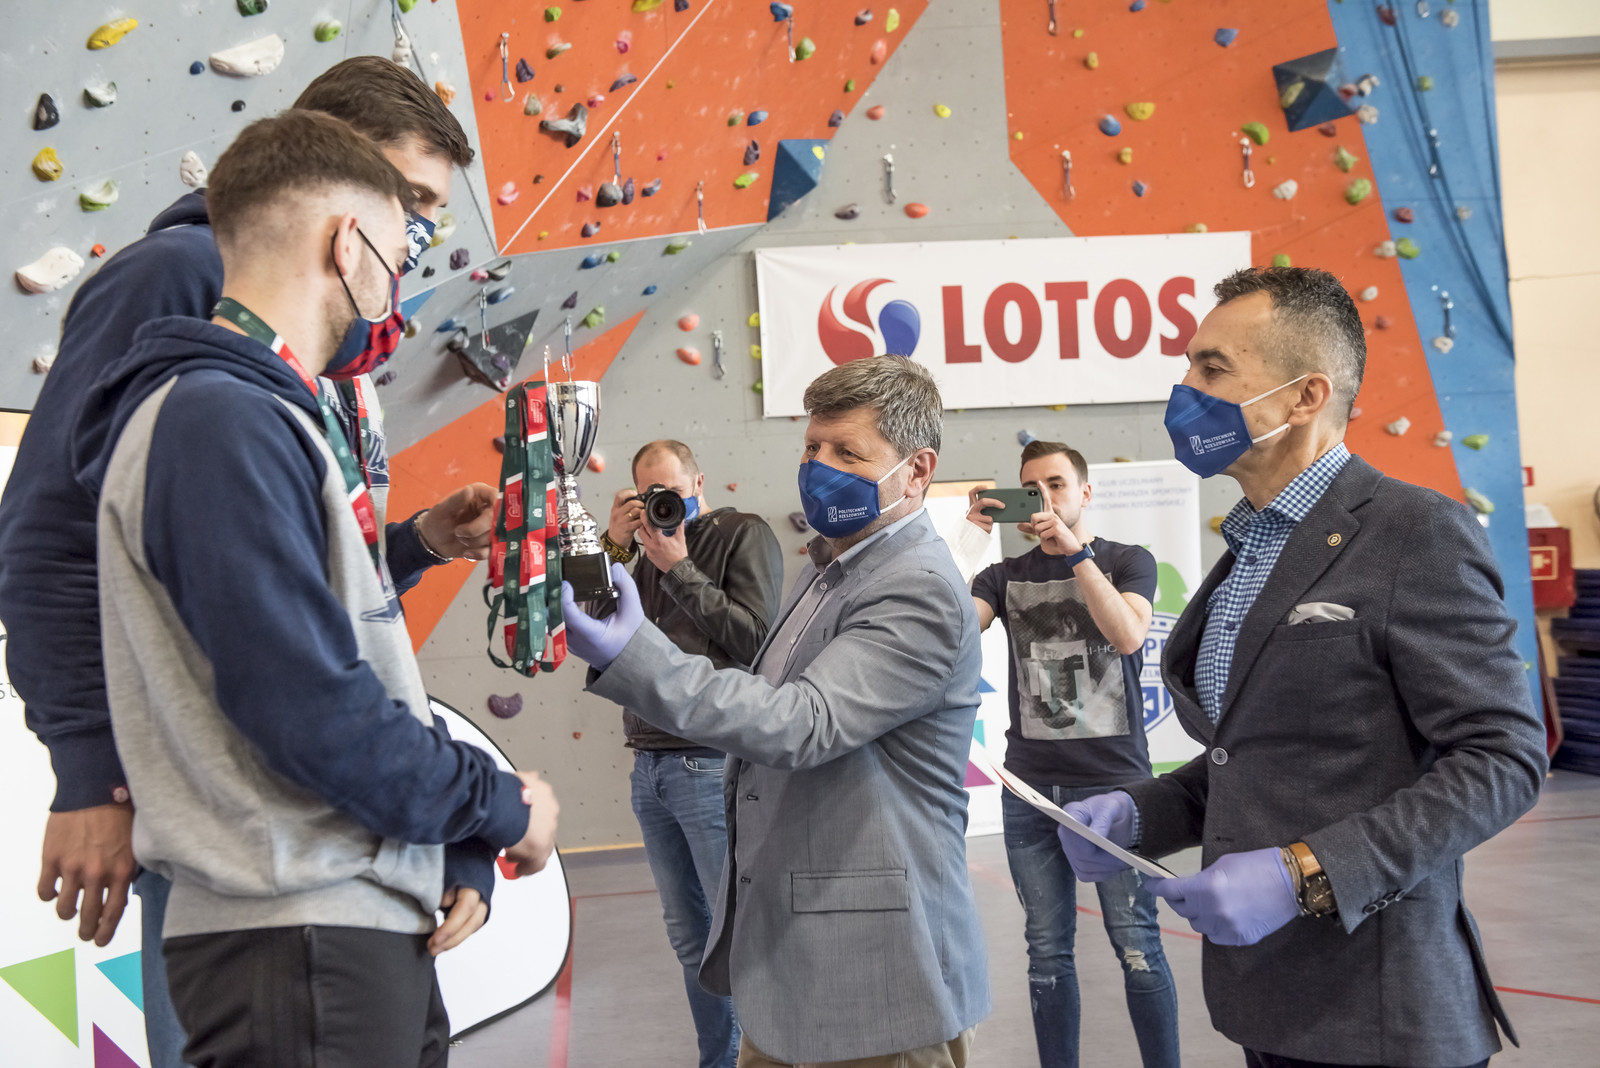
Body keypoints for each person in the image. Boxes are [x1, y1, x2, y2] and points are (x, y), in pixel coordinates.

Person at [0, 56, 492, 1068]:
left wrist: (413, 546)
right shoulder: (183, 278)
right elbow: (52, 528)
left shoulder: (324, 339)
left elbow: (279, 576)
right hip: (236, 819)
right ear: (332, 177)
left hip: (331, 819)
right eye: (409, 201)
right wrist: (88, 769)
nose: (416, 236)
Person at [1057, 266, 1548, 1068]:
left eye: (1213, 368)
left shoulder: (1413, 533)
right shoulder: (1250, 549)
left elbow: (1504, 759)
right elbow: (1255, 756)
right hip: (1268, 1003)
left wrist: (1307, 873)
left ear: (1305, 396)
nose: (1185, 389)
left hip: (1380, 1009)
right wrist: (1142, 814)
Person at [563, 356, 990, 1068]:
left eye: (848, 452)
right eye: (812, 447)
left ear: (917, 471)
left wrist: (634, 654)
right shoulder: (831, 568)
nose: (819, 468)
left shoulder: (916, 587)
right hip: (794, 973)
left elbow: (800, 722)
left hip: (878, 983)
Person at [962, 441, 1179, 1068]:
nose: (1046, 499)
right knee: (1047, 953)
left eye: (1057, 484)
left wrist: (1077, 557)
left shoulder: (1128, 560)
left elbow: (1129, 635)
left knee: (1138, 946)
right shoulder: (1002, 576)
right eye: (1032, 488)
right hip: (1032, 791)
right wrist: (969, 542)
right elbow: (944, 634)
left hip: (1116, 788)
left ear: (1085, 492)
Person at [596, 440, 783, 1068]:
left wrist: (678, 567)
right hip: (648, 764)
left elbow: (756, 641)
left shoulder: (739, 533)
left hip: (710, 759)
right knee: (688, 940)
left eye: (672, 492)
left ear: (698, 482)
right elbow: (590, 624)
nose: (662, 505)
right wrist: (613, 545)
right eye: (649, 495)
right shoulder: (637, 551)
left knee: (738, 936)